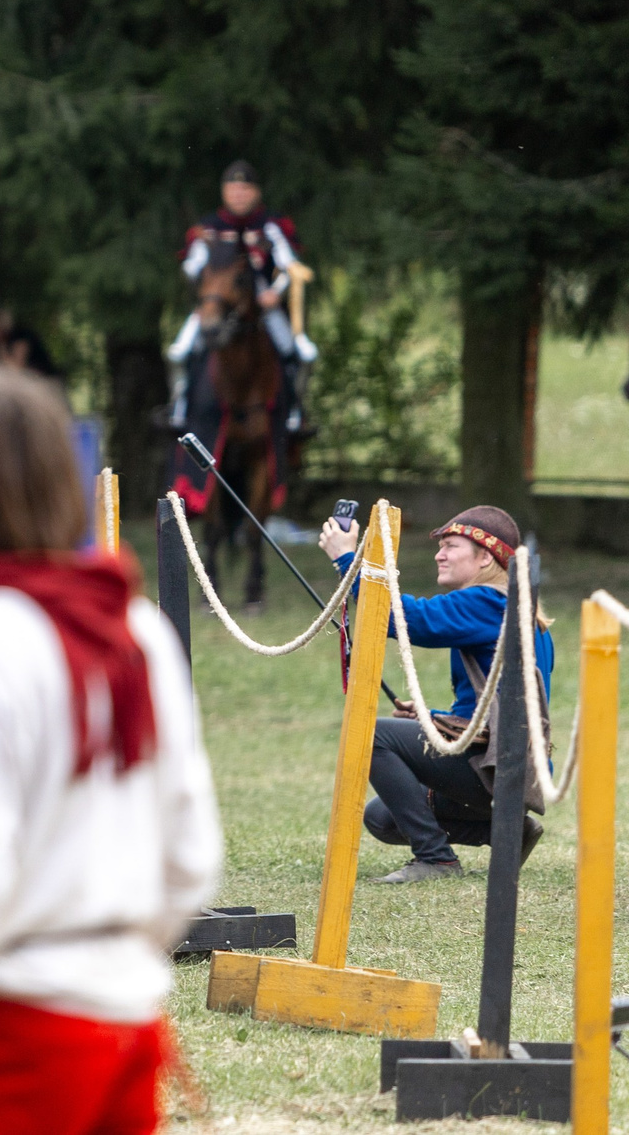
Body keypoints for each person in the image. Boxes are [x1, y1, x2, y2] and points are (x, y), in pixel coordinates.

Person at [0, 369, 219, 1135]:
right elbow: (191, 850)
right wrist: (114, 957)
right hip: (127, 1015)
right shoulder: (141, 632)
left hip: (15, 1023)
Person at [319, 504, 555, 883]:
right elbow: (493, 706)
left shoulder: (489, 602)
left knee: (370, 732)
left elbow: (400, 617)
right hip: (503, 763)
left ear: (485, 558)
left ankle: (436, 860)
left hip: (491, 768)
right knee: (381, 819)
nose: (438, 554)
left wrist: (346, 558)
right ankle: (506, 833)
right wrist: (437, 719)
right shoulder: (518, 610)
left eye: (450, 546)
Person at [181, 161, 316, 434]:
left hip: (262, 309)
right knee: (182, 350)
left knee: (299, 352)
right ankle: (180, 408)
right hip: (217, 307)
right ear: (224, 192)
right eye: (233, 188)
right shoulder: (209, 229)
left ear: (256, 193)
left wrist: (274, 293)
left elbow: (290, 266)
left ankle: (294, 410)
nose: (238, 194)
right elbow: (191, 266)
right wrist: (206, 290)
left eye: (245, 188)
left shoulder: (270, 226)